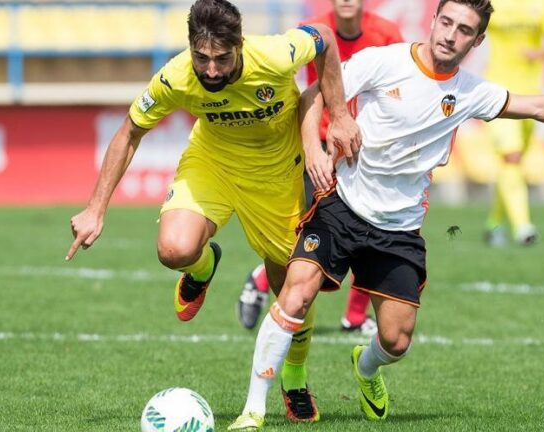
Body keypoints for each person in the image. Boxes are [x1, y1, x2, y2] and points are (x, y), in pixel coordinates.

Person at [227, 0, 544, 429]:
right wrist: (314, 149)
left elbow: (540, 107)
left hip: (398, 229)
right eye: (447, 22)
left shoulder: (471, 90)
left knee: (396, 341)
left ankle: (365, 367)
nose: (451, 35)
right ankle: (253, 411)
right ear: (433, 19)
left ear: (477, 40)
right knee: (296, 292)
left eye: (464, 30)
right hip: (343, 204)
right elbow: (313, 96)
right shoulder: (383, 61)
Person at [65, 0, 360, 424]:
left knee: (292, 287)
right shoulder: (176, 76)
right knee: (173, 249)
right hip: (213, 163)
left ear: (240, 44)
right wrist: (96, 208)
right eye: (202, 58)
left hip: (276, 173)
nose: (212, 70)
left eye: (222, 58)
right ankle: (202, 268)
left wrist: (341, 115)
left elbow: (326, 38)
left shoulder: (277, 54)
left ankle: (294, 374)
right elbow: (130, 132)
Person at [236, 0, 403, 337]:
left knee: (375, 226)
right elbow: (291, 86)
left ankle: (355, 317)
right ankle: (260, 277)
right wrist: (311, 145)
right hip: (321, 146)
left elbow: (400, 86)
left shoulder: (386, 33)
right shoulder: (311, 30)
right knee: (311, 232)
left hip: (366, 146)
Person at [484, 0, 544, 246]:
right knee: (512, 157)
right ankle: (523, 227)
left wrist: (543, 51)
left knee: (513, 166)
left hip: (532, 97)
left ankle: (494, 225)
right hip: (498, 92)